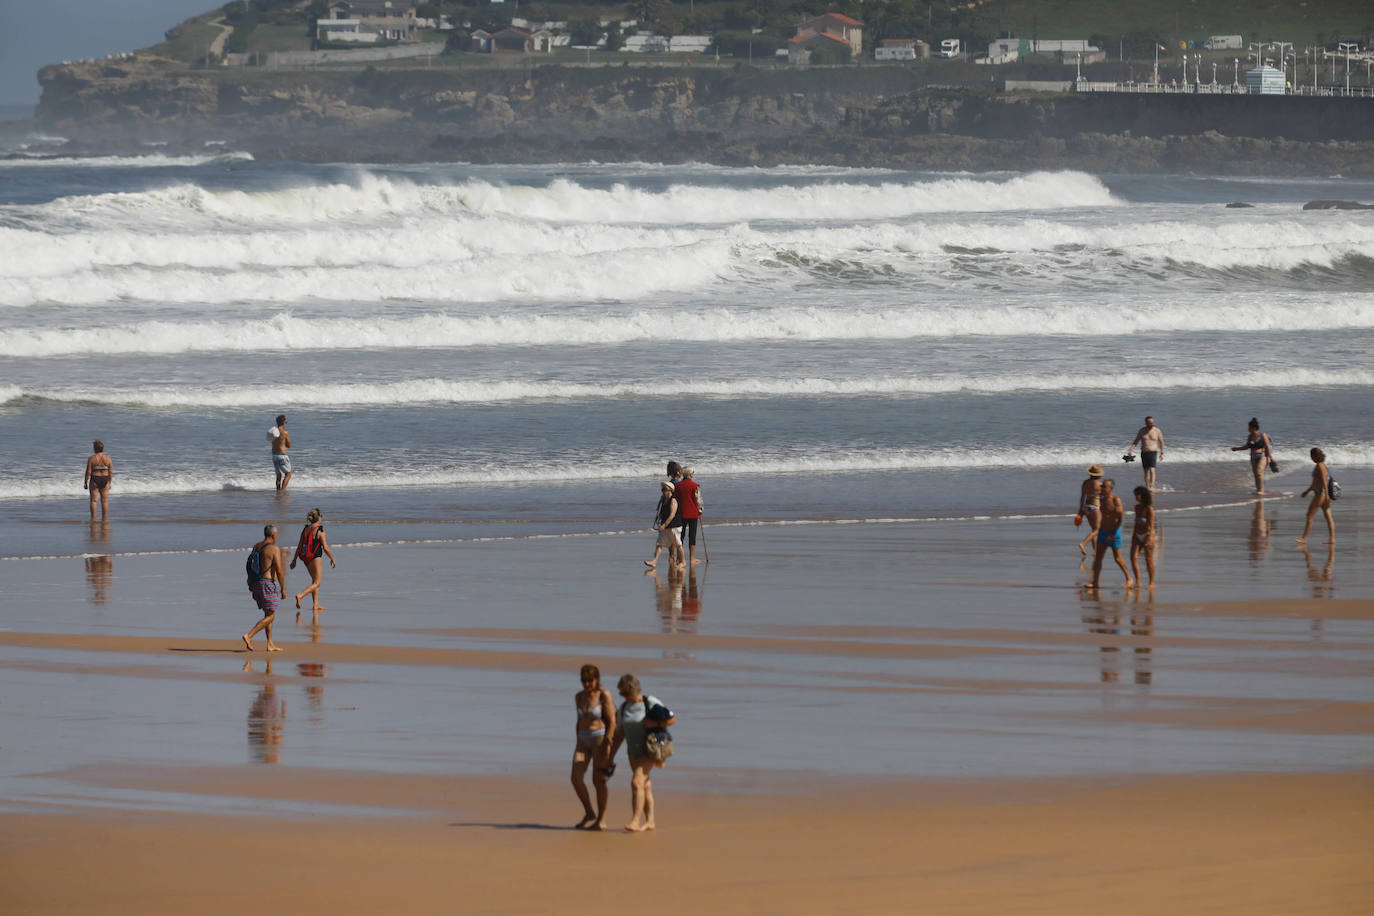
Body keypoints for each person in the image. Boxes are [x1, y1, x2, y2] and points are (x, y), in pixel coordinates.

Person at [607, 673, 675, 833]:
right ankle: (650, 821)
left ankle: (635, 821)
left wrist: (655, 723)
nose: (623, 696)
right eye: (621, 693)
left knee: (636, 782)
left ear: (633, 689)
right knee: (644, 785)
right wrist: (610, 757)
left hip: (650, 749)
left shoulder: (649, 702)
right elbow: (620, 735)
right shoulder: (623, 708)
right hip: (633, 752)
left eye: (625, 692)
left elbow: (672, 719)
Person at [571, 664, 616, 830]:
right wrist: (577, 739)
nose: (587, 684)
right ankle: (589, 811)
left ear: (597, 679)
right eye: (584, 680)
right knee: (576, 778)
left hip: (599, 739)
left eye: (590, 680)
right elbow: (579, 720)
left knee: (598, 780)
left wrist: (608, 742)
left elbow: (612, 721)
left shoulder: (604, 695)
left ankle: (601, 819)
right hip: (582, 740)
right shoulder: (578, 697)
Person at [290, 508, 337, 622]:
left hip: (306, 558)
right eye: (321, 515)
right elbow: (325, 547)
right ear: (319, 517)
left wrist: (294, 559)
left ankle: (316, 604)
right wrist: (332, 558)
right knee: (317, 582)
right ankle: (300, 595)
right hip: (315, 557)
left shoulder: (305, 529)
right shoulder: (320, 530)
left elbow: (300, 545)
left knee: (314, 581)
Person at [243, 524, 285, 652]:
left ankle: (270, 644)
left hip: (255, 582)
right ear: (274, 535)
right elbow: (279, 569)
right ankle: (249, 635)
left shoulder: (257, 546)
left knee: (268, 613)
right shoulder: (274, 548)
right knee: (271, 616)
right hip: (266, 583)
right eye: (277, 534)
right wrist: (283, 588)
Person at [1090, 478, 1133, 589]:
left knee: (1117, 558)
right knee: (1098, 557)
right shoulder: (1102, 499)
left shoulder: (1116, 500)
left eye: (1104, 486)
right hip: (1103, 531)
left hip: (1114, 532)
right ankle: (1095, 582)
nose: (1102, 488)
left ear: (1110, 488)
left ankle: (1129, 579)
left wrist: (1113, 533)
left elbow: (1120, 518)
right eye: (1102, 486)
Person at [1296, 447, 1335, 545]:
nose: (1310, 457)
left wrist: (1326, 495)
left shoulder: (1320, 466)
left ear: (1315, 456)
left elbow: (1324, 482)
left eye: (1311, 455)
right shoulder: (1320, 465)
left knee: (1309, 515)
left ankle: (1304, 538)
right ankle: (1332, 539)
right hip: (1320, 493)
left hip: (1320, 494)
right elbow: (1315, 483)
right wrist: (1307, 491)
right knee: (1328, 516)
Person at [644, 482, 683, 570]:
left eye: (664, 489)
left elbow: (672, 515)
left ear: (669, 490)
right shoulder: (663, 499)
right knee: (659, 543)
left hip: (674, 526)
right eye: (662, 489)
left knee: (678, 544)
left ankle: (683, 562)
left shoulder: (673, 500)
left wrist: (664, 525)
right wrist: (660, 520)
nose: (662, 491)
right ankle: (654, 561)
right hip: (665, 526)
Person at [1231, 417, 1273, 495]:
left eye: (1249, 428)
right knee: (1256, 474)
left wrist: (1270, 458)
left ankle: (1261, 490)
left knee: (1259, 471)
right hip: (1253, 457)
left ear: (1253, 428)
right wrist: (1237, 449)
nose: (1248, 429)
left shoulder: (1263, 435)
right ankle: (1258, 490)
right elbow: (1247, 447)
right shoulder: (1250, 436)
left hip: (1263, 456)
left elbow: (1267, 446)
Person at [673, 467, 705, 567]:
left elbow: (675, 499)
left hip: (681, 513)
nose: (693, 474)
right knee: (692, 535)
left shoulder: (677, 486)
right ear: (690, 474)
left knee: (680, 536)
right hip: (692, 513)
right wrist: (700, 510)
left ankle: (679, 558)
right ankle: (692, 558)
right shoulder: (694, 486)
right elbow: (698, 500)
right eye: (692, 473)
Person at [1125, 416, 1165, 489]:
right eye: (1149, 423)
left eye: (1152, 423)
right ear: (1146, 423)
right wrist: (1131, 449)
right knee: (1146, 471)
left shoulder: (1157, 431)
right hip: (1144, 453)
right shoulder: (1142, 431)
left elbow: (1161, 442)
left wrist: (1162, 453)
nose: (1151, 424)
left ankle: (1152, 486)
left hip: (1153, 452)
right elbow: (1136, 441)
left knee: (1152, 469)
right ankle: (1147, 487)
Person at [1129, 486, 1157, 589]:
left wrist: (1149, 537)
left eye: (1138, 495)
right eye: (1135, 495)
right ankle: (1138, 581)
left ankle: (1152, 582)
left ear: (1143, 495)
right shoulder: (1136, 507)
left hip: (1147, 535)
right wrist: (1133, 535)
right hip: (1137, 535)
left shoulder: (1149, 508)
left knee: (1148, 560)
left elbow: (1152, 525)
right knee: (1133, 557)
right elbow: (1136, 522)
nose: (1136, 497)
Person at [1076, 464, 1104, 556]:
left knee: (1094, 530)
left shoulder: (1085, 483)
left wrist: (1080, 509)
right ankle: (1083, 543)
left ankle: (1095, 552)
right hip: (1095, 508)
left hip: (1086, 507)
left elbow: (1082, 496)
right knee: (1098, 530)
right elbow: (1104, 497)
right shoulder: (1099, 484)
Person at [83, 439, 113, 520]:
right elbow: (110, 471)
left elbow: (88, 472)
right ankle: (105, 518)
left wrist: (85, 482)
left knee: (93, 501)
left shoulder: (92, 458)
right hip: (105, 479)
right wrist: (110, 482)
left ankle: (93, 518)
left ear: (95, 448)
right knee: (105, 501)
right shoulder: (108, 458)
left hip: (95, 479)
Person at [270, 414, 292, 491]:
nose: (286, 423)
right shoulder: (285, 433)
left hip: (274, 455)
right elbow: (289, 445)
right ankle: (283, 491)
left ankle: (278, 491)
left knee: (278, 475)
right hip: (282, 455)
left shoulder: (273, 432)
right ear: (283, 422)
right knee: (288, 474)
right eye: (286, 422)